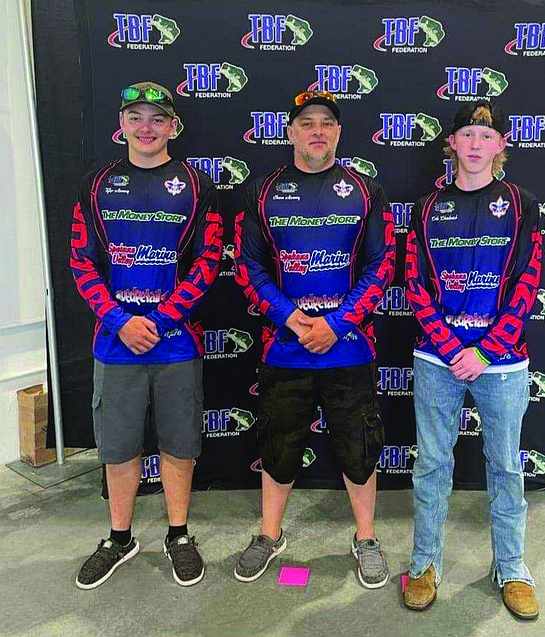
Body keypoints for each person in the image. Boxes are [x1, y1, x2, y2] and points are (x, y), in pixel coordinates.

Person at [233, 89, 396, 588]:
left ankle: (365, 537)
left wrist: (338, 322)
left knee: (358, 447)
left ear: (339, 133)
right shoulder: (261, 191)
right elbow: (247, 265)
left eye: (326, 122)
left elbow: (382, 264)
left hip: (348, 348)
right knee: (278, 448)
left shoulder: (367, 190)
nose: (317, 131)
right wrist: (289, 316)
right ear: (290, 132)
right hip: (286, 349)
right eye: (306, 123)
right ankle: (269, 534)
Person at [70, 82, 223, 589]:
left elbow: (207, 262)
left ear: (173, 127)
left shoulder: (198, 186)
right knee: (118, 448)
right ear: (122, 125)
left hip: (176, 341)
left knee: (180, 445)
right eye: (135, 116)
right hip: (116, 344)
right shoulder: (96, 186)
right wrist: (120, 320)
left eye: (157, 118)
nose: (146, 127)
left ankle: (178, 534)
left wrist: (159, 320)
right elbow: (81, 262)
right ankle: (119, 538)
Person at [403, 100, 542, 619]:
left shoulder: (523, 204)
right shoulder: (425, 208)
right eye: (467, 135)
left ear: (501, 145)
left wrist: (484, 349)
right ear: (453, 145)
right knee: (432, 465)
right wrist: (451, 346)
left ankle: (512, 567)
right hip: (438, 359)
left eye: (487, 136)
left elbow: (528, 284)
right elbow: (415, 285)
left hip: (501, 362)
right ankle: (424, 563)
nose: (477, 144)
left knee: (506, 466)